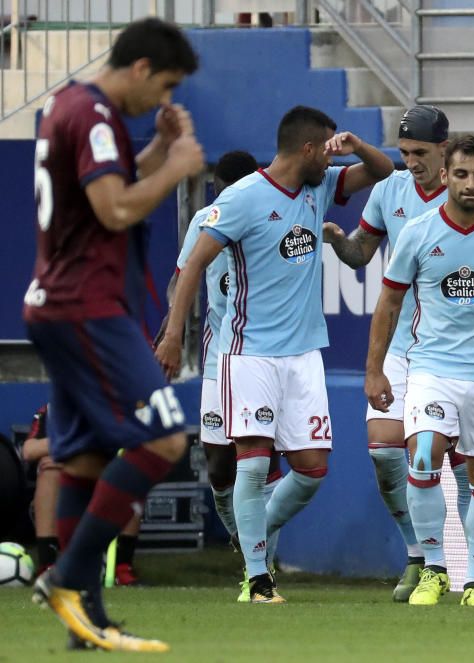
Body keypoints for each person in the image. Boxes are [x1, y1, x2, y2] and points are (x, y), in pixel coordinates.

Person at [156, 105, 393, 603]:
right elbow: (194, 265)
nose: (330, 159)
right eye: (325, 148)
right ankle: (258, 578)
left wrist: (353, 145)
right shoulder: (242, 199)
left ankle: (251, 535)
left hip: (305, 353)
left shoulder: (319, 188)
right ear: (307, 149)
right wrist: (174, 334)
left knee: (312, 468)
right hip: (250, 353)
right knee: (251, 465)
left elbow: (382, 170)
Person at [24, 17, 203, 652]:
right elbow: (117, 208)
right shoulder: (95, 116)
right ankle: (68, 579)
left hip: (59, 304)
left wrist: (155, 150)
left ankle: (87, 625)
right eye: (165, 88)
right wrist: (178, 163)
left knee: (84, 459)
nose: (164, 101)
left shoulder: (69, 107)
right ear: (140, 70)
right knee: (165, 439)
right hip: (87, 309)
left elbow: (114, 188)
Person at [324, 105, 474, 601]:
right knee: (386, 452)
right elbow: (364, 252)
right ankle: (421, 555)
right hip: (405, 347)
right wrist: (342, 245)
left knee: (464, 463)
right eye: (403, 153)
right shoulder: (389, 191)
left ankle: (473, 576)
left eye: (420, 154)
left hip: (464, 354)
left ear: (444, 152)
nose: (410, 163)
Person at [365, 135, 474, 607]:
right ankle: (434, 568)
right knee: (422, 457)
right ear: (445, 176)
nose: (469, 184)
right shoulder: (419, 232)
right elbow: (388, 303)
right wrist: (375, 369)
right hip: (431, 368)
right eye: (460, 174)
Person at [162, 149, 283, 602]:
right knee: (218, 467)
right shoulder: (205, 222)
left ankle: (261, 564)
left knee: (265, 464)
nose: (222, 198)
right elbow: (182, 281)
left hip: (265, 356)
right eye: (217, 189)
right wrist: (170, 331)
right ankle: (248, 545)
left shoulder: (269, 216)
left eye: (227, 189)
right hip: (218, 362)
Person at [22, 403, 145, 585]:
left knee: (133, 474)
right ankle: (48, 565)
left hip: (108, 479)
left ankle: (122, 568)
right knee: (49, 473)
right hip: (71, 485)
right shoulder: (53, 409)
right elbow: (29, 450)